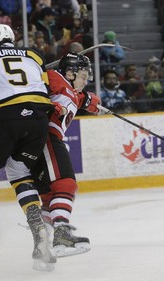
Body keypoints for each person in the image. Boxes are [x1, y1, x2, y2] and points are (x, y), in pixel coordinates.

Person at [0, 24, 56, 271]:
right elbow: (45, 87)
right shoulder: (35, 56)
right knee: (19, 173)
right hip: (39, 117)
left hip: (5, 115)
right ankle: (38, 226)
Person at [31, 52, 101, 257]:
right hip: (46, 137)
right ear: (70, 72)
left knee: (49, 196)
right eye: (83, 75)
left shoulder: (72, 91)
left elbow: (91, 102)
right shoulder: (53, 77)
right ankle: (62, 231)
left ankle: (42, 247)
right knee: (66, 183)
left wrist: (90, 100)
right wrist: (51, 104)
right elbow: (34, 93)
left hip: (45, 140)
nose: (85, 80)